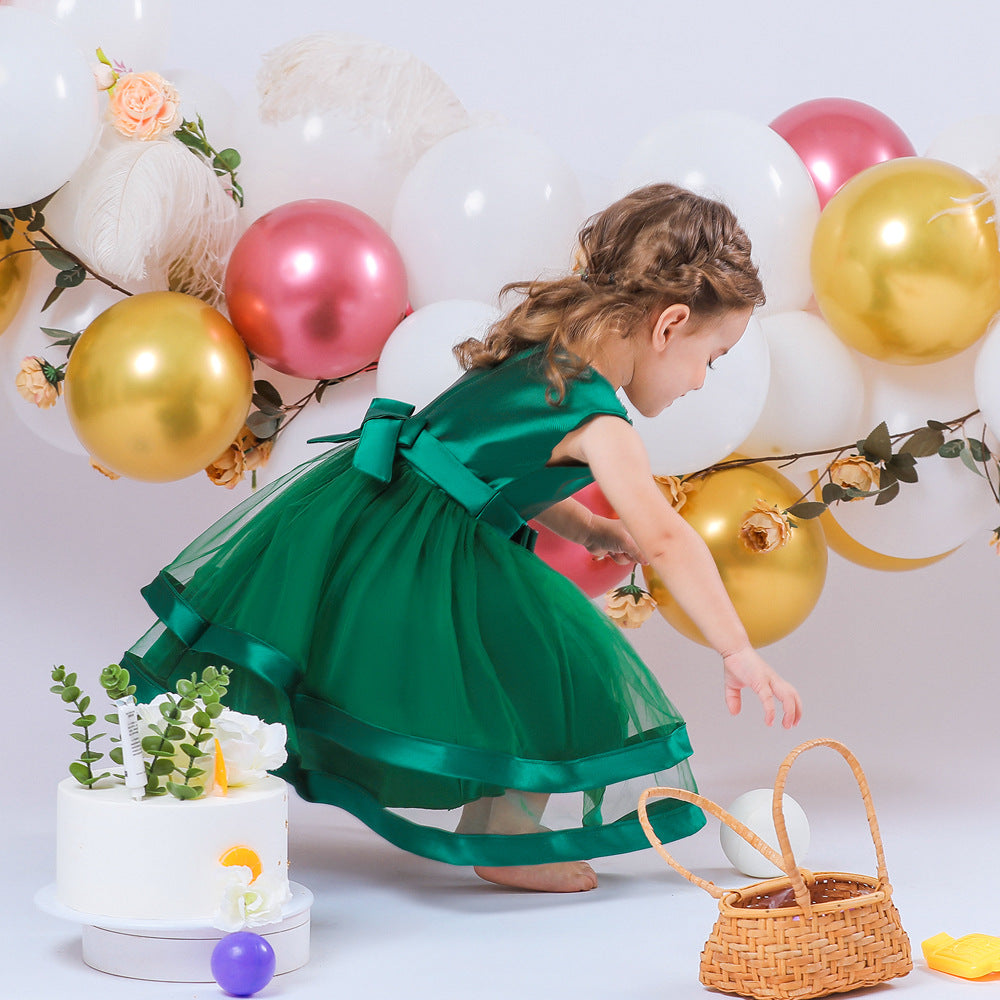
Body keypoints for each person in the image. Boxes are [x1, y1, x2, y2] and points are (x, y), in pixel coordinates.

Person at [123, 183, 801, 895]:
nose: (702, 381)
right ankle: (502, 832)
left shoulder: (547, 356)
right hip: (422, 548)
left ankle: (200, 776)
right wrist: (738, 650)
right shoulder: (601, 420)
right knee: (560, 669)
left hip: (377, 516)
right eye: (712, 357)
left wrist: (590, 526)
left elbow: (487, 469)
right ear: (668, 325)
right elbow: (666, 538)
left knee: (325, 658)